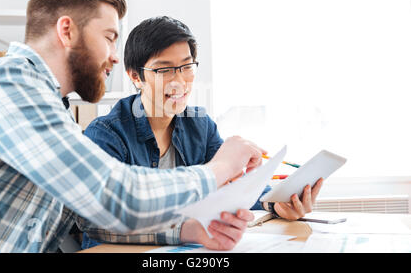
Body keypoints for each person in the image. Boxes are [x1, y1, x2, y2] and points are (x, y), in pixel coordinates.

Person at [0, 0, 265, 252]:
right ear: (66, 31)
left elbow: (96, 216)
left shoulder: (54, 110)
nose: (114, 56)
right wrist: (221, 166)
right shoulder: (4, 82)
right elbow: (116, 195)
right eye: (109, 37)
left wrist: (187, 230)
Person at [81, 16, 324, 249]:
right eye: (164, 70)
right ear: (135, 77)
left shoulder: (199, 125)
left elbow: (234, 184)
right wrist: (186, 230)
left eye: (186, 67)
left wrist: (274, 203)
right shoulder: (107, 135)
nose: (179, 81)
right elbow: (96, 224)